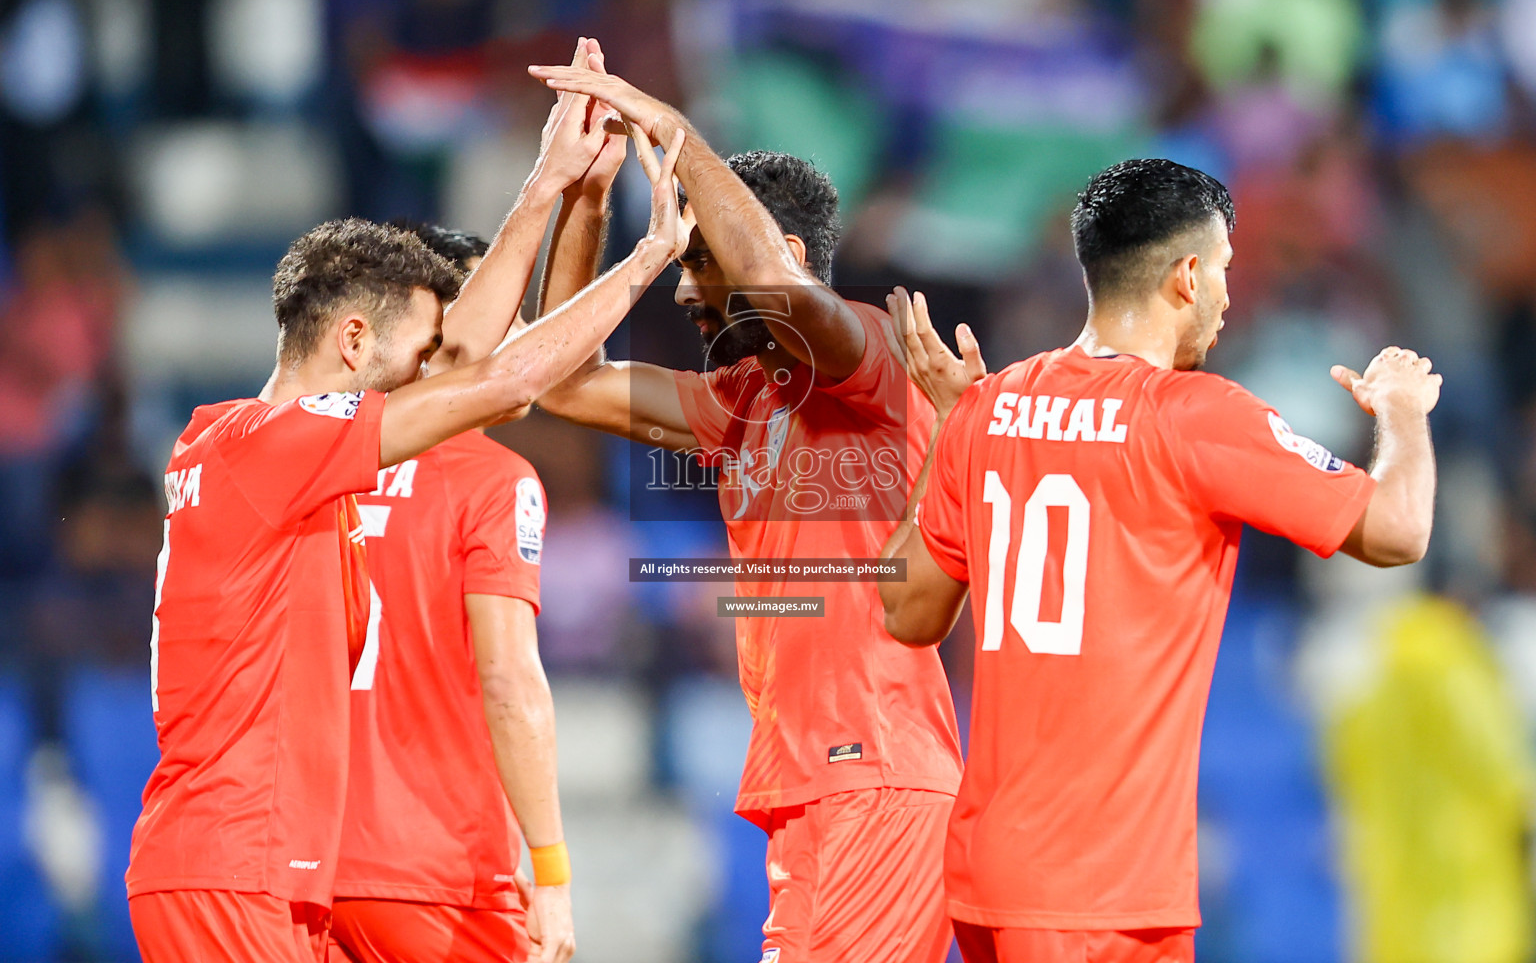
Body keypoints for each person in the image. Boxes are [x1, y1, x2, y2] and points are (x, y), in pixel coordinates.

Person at [124, 68, 687, 962]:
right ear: (353, 340)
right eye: (419, 349)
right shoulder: (283, 446)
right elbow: (499, 379)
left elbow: (471, 366)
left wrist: (548, 188)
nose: (438, 366)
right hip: (244, 865)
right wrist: (648, 257)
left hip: (268, 868)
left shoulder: (240, 444)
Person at [878, 157, 1441, 963]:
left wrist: (946, 423)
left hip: (990, 871)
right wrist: (1402, 411)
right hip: (1101, 888)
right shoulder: (1196, 416)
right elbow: (1398, 530)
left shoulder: (988, 405)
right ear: (1186, 276)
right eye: (1223, 271)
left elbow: (909, 612)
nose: (1227, 295)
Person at [529, 48, 962, 963]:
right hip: (805, 784)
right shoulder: (737, 402)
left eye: (699, 260)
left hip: (876, 772)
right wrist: (588, 197)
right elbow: (562, 378)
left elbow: (779, 289)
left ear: (786, 257)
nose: (684, 288)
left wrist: (670, 130)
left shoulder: (874, 361)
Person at [326, 141, 623, 963]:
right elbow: (509, 680)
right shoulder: (497, 479)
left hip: (303, 872)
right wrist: (553, 872)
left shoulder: (309, 462)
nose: (527, 339)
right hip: (438, 876)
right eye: (511, 317)